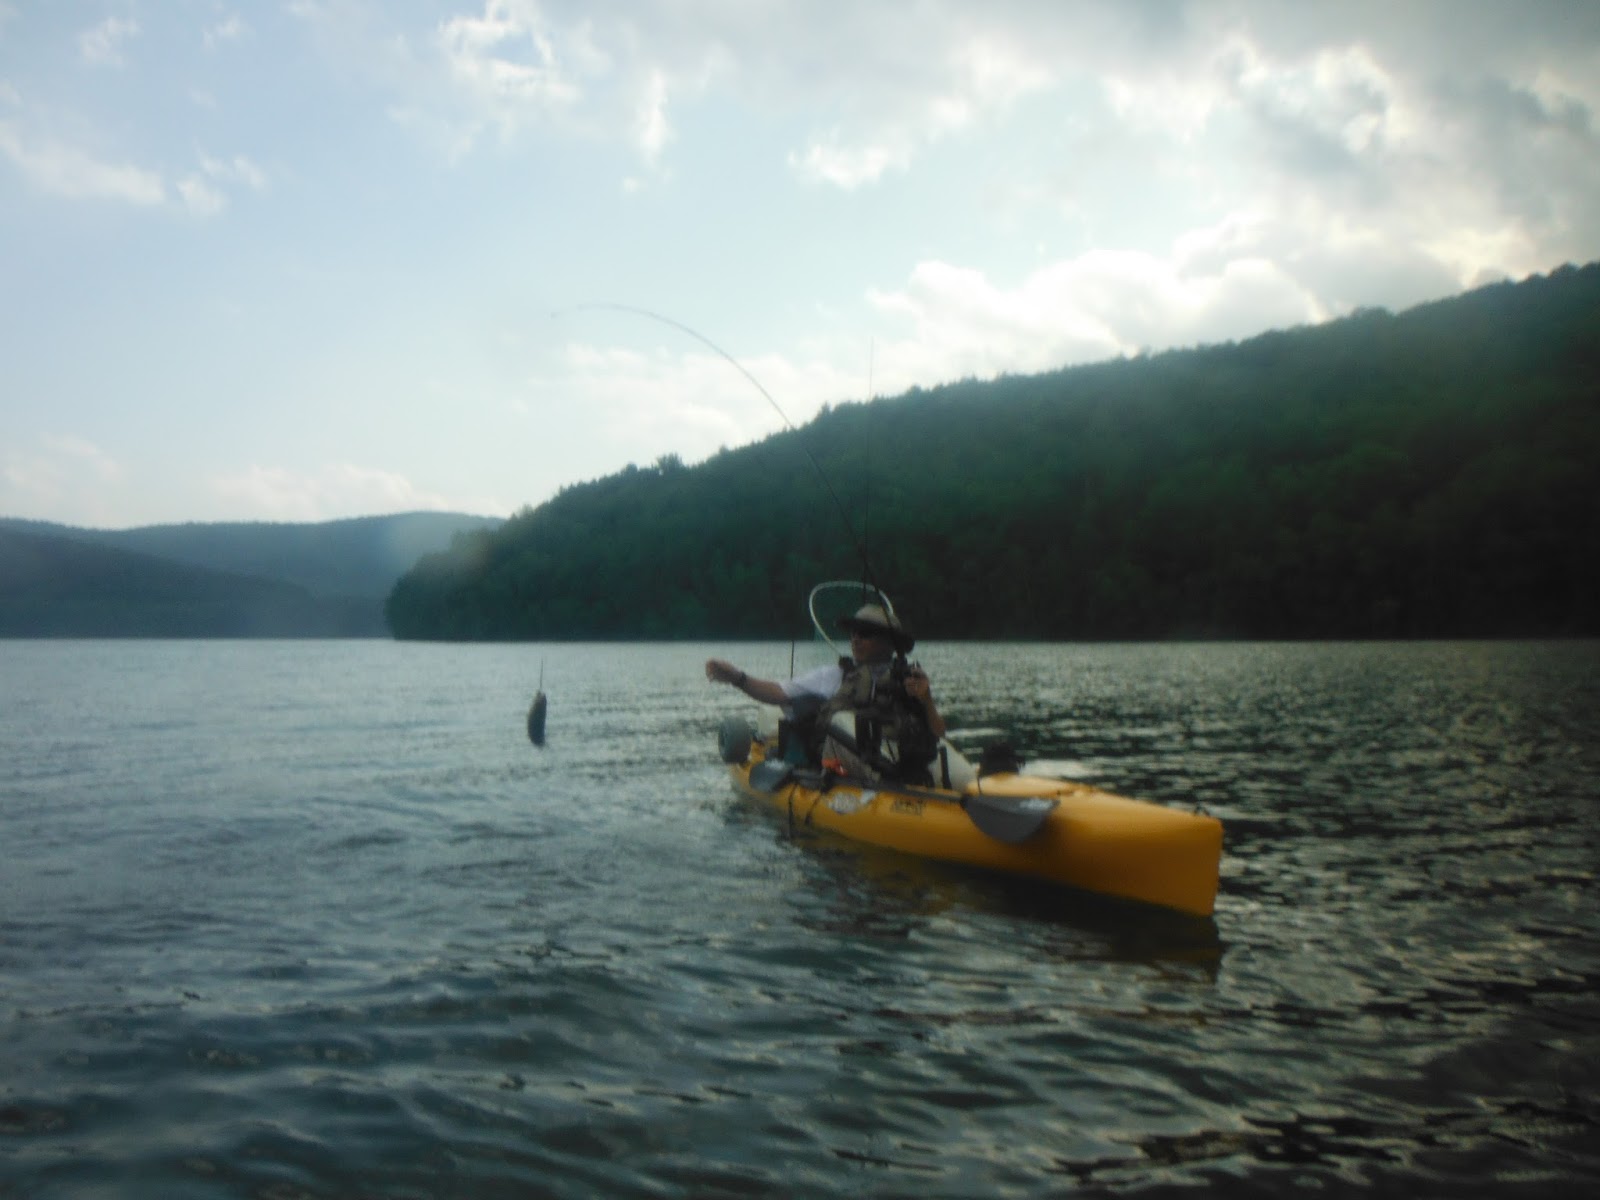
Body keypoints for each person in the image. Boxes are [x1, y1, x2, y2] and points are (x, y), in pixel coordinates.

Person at [705, 603, 946, 782]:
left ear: (889, 643)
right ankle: (889, 782)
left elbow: (937, 734)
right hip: (855, 763)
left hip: (902, 760)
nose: (856, 639)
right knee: (841, 721)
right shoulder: (833, 676)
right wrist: (738, 678)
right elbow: (778, 693)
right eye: (853, 633)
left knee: (941, 756)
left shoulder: (910, 680)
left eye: (865, 634)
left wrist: (926, 700)